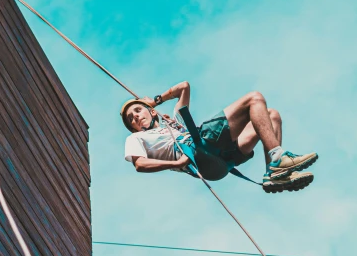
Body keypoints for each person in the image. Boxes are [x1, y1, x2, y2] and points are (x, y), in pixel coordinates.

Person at [121, 81, 317, 193]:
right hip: (200, 149)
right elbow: (140, 164)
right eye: (132, 118)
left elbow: (184, 87)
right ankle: (278, 159)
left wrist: (156, 101)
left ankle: (274, 173)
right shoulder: (136, 139)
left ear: (151, 112)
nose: (136, 116)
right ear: (133, 128)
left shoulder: (177, 122)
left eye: (138, 111)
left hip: (223, 157)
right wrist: (176, 163)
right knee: (254, 98)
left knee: (272, 115)